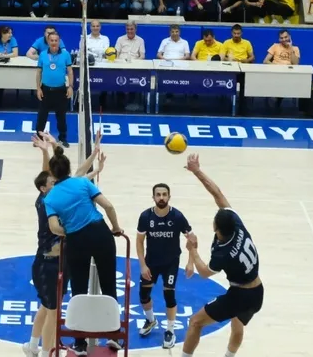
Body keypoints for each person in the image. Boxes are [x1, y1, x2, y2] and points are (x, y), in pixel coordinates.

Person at [25, 132, 105, 357]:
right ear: (43, 188)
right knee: (54, 312)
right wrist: (47, 152)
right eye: (52, 182)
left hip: (63, 260)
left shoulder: (59, 194)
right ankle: (47, 352)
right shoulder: (45, 201)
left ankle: (32, 346)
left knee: (47, 306)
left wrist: (94, 154)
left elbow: (76, 175)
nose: (56, 182)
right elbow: (49, 173)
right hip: (47, 263)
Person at [43, 139, 124, 354]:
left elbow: (54, 228)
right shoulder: (82, 183)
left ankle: (79, 343)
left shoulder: (50, 198)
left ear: (53, 174)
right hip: (100, 234)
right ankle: (114, 336)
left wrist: (70, 230)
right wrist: (116, 228)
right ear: (69, 168)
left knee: (78, 289)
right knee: (109, 286)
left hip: (77, 241)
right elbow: (108, 206)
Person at [179, 153, 264, 357]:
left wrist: (193, 249)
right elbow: (217, 194)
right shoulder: (237, 224)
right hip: (257, 291)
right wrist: (197, 171)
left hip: (241, 295)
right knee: (237, 325)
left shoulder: (223, 253)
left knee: (195, 322)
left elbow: (204, 272)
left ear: (215, 228)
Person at [136, 183, 192, 349]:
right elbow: (139, 242)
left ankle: (170, 331)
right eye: (158, 194)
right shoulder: (146, 216)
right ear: (153, 197)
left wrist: (191, 262)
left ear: (169, 196)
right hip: (151, 262)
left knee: (169, 294)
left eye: (164, 194)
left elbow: (192, 238)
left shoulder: (177, 217)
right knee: (143, 295)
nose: (161, 197)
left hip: (171, 263)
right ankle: (151, 320)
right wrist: (143, 265)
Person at [35, 31, 73, 147]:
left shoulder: (66, 54)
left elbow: (70, 72)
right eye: (51, 40)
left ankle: (62, 138)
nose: (54, 42)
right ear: (48, 41)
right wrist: (38, 88)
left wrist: (70, 87)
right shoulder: (42, 54)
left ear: (59, 41)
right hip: (45, 90)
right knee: (42, 115)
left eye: (56, 40)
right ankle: (39, 139)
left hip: (60, 90)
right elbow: (39, 72)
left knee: (61, 116)